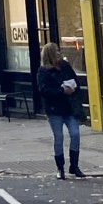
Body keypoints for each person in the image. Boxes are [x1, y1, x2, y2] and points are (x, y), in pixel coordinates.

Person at [36, 42, 86, 179]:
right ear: (50, 54)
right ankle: (60, 168)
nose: (59, 53)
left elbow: (75, 80)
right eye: (56, 51)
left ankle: (74, 166)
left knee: (75, 134)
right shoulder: (43, 71)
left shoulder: (65, 66)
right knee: (59, 137)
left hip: (69, 107)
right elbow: (43, 90)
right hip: (54, 110)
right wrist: (61, 90)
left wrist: (73, 88)